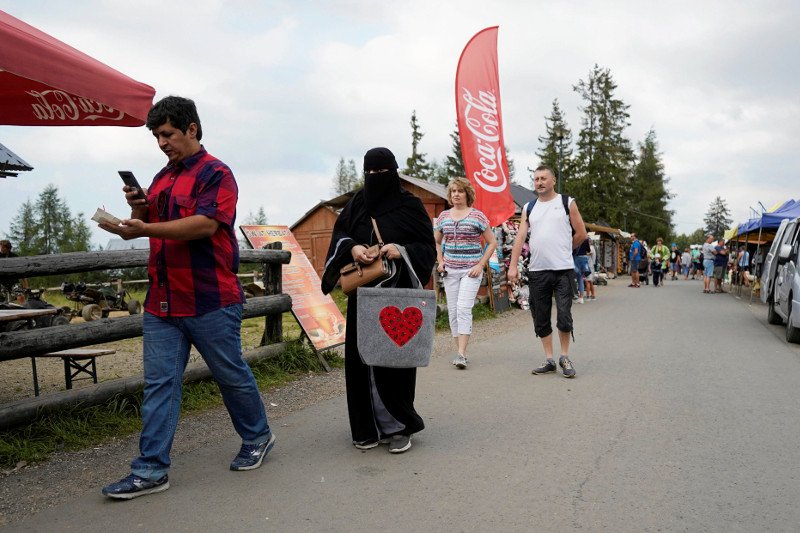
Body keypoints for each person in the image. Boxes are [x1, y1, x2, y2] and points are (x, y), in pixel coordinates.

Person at [97, 96, 274, 499]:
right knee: (160, 384)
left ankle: (258, 436)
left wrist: (142, 230)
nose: (162, 143)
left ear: (191, 129)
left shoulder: (218, 173)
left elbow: (204, 226)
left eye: (168, 134)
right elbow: (157, 223)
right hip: (162, 300)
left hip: (210, 297)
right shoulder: (161, 177)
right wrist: (139, 209)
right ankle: (151, 470)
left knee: (230, 375)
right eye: (157, 136)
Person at [321, 147, 436, 453]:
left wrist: (401, 250)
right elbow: (340, 236)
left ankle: (398, 426)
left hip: (398, 297)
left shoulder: (409, 205)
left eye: (380, 173)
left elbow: (427, 247)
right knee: (362, 359)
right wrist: (353, 248)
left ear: (393, 172)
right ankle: (365, 426)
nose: (374, 179)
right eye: (369, 173)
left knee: (392, 359)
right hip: (364, 295)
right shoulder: (357, 203)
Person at [508, 165, 588, 378]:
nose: (539, 182)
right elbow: (520, 237)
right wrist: (513, 266)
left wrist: (564, 248)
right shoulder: (529, 207)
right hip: (537, 271)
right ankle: (549, 359)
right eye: (536, 179)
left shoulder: (566, 202)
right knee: (540, 317)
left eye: (544, 178)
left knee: (564, 315)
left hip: (563, 269)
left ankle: (564, 356)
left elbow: (581, 233)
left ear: (553, 181)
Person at [433, 177, 497, 369]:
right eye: (453, 191)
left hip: (471, 271)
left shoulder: (477, 216)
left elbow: (492, 242)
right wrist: (441, 261)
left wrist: (480, 265)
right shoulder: (444, 216)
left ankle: (461, 354)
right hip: (450, 271)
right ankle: (460, 351)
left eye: (460, 191)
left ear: (467, 194)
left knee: (463, 308)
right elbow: (436, 241)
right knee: (453, 311)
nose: (456, 194)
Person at [573, 238, 591, 304]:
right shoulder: (586, 239)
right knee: (580, 279)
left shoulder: (574, 238)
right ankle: (581, 298)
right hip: (584, 259)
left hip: (576, 259)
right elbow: (588, 250)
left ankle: (575, 295)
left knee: (573, 278)